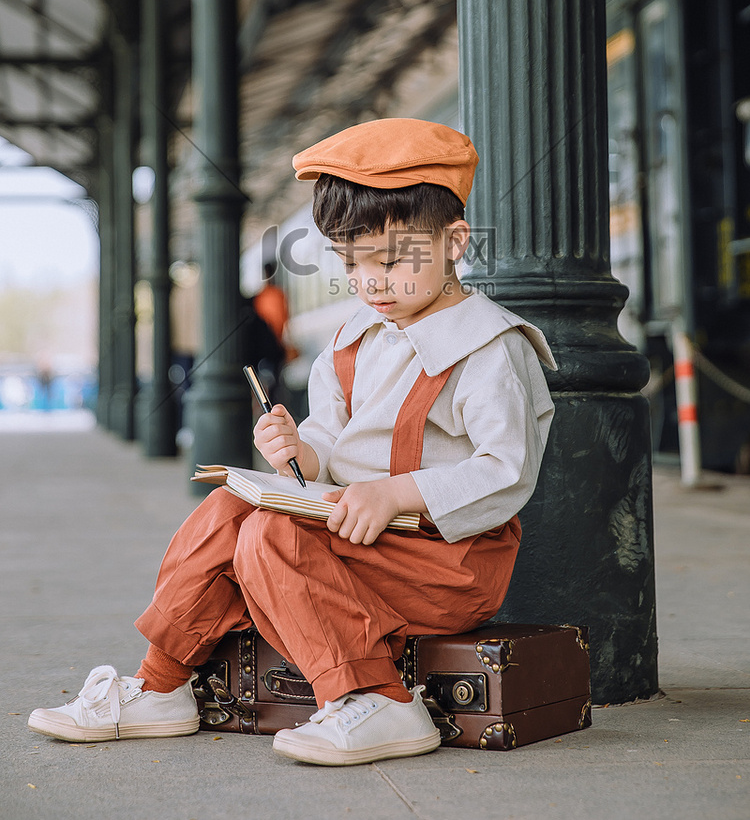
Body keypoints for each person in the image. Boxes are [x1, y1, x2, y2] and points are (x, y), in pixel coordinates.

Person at [28, 118, 556, 766]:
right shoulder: (352, 340)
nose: (372, 282)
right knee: (228, 510)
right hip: (355, 542)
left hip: (448, 558)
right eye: (350, 262)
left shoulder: (491, 347)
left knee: (272, 535)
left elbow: (506, 471)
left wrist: (395, 492)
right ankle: (162, 684)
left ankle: (380, 698)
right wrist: (297, 451)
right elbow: (331, 442)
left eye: (391, 261)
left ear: (455, 241)